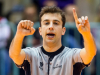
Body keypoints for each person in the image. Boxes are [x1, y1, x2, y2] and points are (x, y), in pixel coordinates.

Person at [9, 6, 96, 75]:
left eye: (56, 23)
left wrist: (86, 34)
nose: (51, 27)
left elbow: (90, 53)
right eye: (46, 23)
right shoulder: (32, 54)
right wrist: (19, 35)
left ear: (63, 30)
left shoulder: (72, 55)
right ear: (40, 30)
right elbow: (14, 55)